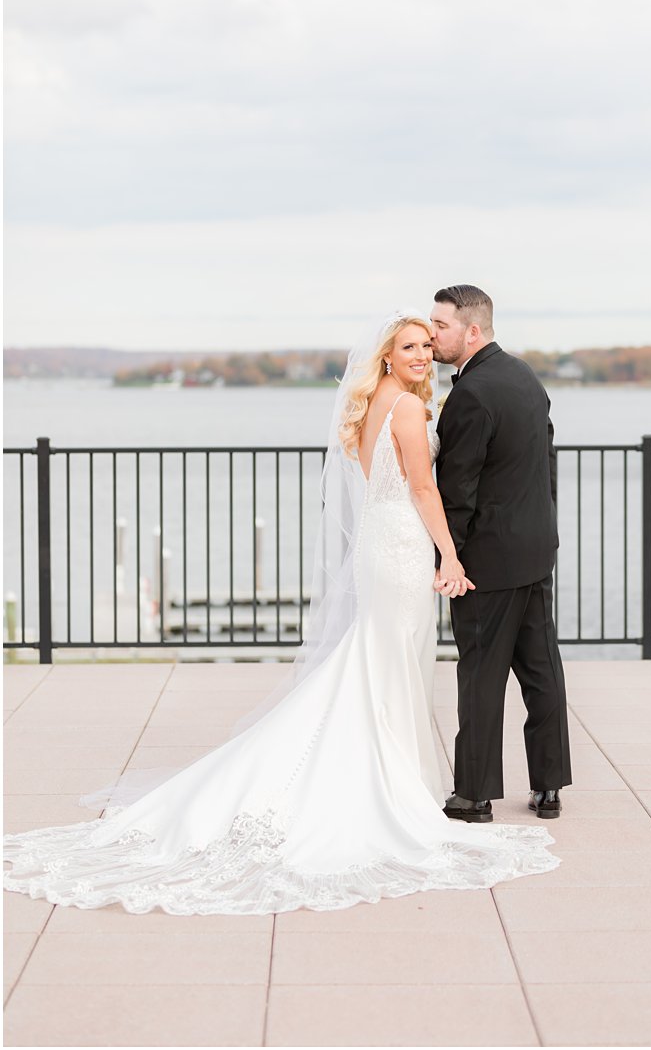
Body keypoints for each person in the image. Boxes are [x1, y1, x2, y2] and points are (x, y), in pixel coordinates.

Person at [2, 313, 558, 914]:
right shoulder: (409, 411)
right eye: (411, 346)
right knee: (393, 659)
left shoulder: (377, 405)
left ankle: (394, 769)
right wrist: (448, 556)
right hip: (401, 547)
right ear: (387, 356)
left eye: (428, 344)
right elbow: (424, 491)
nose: (423, 354)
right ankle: (389, 780)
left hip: (381, 542)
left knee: (377, 657)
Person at [429, 285, 571, 823]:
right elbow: (545, 468)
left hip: (487, 562)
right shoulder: (525, 377)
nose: (433, 335)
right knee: (541, 671)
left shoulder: (471, 393)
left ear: (472, 330)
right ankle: (549, 787)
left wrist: (450, 559)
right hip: (535, 550)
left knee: (481, 676)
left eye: (441, 326)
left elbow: (457, 492)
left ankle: (474, 795)